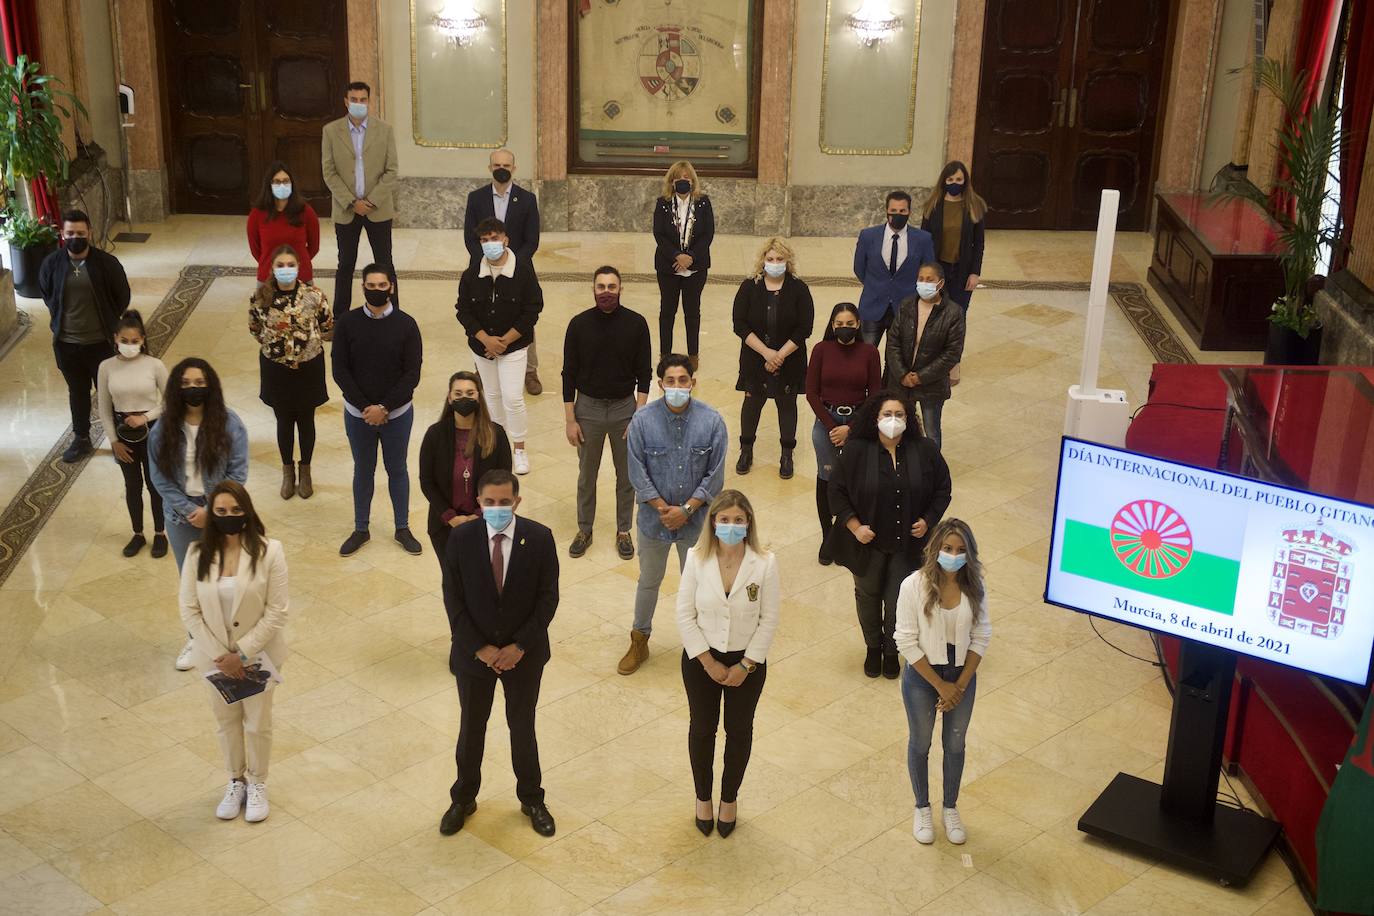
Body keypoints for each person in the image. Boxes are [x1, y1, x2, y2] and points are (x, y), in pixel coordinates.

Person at [438, 470, 558, 839]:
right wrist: (482, 648)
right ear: (479, 502)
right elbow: (453, 599)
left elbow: (547, 600)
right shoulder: (460, 539)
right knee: (471, 728)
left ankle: (531, 798)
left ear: (516, 502)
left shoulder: (538, 538)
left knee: (522, 727)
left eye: (504, 502)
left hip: (523, 656)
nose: (496, 508)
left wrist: (519, 646)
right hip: (475, 657)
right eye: (489, 502)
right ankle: (464, 798)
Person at [178, 481, 289, 824]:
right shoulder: (197, 554)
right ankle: (235, 780)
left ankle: (257, 782)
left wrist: (240, 653)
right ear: (212, 514)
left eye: (236, 511)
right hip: (214, 660)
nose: (229, 517)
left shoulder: (270, 551)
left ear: (247, 512)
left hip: (258, 656)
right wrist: (219, 655)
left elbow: (277, 611)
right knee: (226, 723)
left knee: (257, 723)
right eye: (221, 511)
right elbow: (189, 609)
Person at [676, 490, 779, 838]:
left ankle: (729, 799)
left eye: (738, 520)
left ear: (748, 523)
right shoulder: (696, 558)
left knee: (738, 731)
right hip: (701, 659)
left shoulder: (764, 563)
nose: (731, 526)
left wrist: (745, 665)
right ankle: (702, 797)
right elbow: (684, 614)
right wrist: (707, 662)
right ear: (713, 522)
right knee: (702, 729)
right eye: (724, 520)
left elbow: (769, 619)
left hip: (746, 663)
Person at [827, 390, 951, 679]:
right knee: (867, 595)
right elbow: (835, 490)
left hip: (907, 543)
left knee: (899, 599)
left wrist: (928, 519)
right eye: (887, 414)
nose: (893, 420)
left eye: (899, 415)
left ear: (908, 419)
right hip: (866, 543)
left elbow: (943, 487)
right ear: (875, 418)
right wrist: (855, 526)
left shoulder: (925, 450)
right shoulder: (857, 450)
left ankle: (892, 650)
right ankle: (873, 647)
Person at [620, 355, 728, 675]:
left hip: (695, 523)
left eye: (683, 380)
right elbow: (636, 471)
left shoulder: (711, 421)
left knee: (696, 585)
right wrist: (663, 509)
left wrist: (686, 510)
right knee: (648, 581)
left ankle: (700, 647)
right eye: (671, 381)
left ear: (693, 383)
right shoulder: (642, 421)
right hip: (654, 522)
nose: (677, 386)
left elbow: (715, 474)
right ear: (660, 384)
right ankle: (639, 639)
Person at [148, 358, 250, 671]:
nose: (194, 389)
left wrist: (213, 509)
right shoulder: (164, 428)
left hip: (222, 513)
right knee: (190, 579)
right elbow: (159, 477)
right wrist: (191, 510)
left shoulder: (229, 424)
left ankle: (225, 636)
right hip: (181, 516)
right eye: (188, 384)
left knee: (223, 576)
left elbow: (238, 471)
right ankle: (195, 638)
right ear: (178, 389)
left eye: (200, 384)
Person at [894, 518, 990, 846]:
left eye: (961, 550)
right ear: (935, 548)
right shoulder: (913, 586)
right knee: (920, 743)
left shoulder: (974, 586)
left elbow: (981, 636)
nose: (953, 555)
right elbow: (905, 642)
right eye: (947, 548)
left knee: (956, 744)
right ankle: (922, 807)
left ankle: (950, 807)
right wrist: (941, 686)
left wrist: (959, 685)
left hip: (961, 675)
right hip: (924, 677)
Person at [331, 265, 424, 557]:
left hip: (396, 415)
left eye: (382, 285)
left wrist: (384, 407)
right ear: (362, 288)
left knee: (397, 469)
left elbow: (412, 373)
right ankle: (361, 529)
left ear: (391, 288)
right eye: (371, 284)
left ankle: (402, 527)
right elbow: (340, 369)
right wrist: (365, 407)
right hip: (358, 415)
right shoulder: (347, 323)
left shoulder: (407, 324)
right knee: (364, 469)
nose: (377, 289)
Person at [562, 266, 653, 561]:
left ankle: (623, 530)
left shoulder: (637, 324)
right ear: (593, 289)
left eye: (612, 286)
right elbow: (568, 375)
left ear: (621, 289)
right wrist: (570, 419)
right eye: (601, 286)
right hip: (587, 408)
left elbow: (645, 373)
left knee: (626, 475)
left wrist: (639, 415)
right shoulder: (578, 325)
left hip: (625, 409)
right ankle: (584, 529)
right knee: (586, 475)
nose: (606, 292)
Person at [39, 209, 132, 463]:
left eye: (80, 233)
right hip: (68, 344)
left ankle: (119, 439)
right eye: (70, 233)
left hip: (100, 343)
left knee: (109, 393)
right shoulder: (52, 264)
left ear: (89, 233)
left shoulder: (106, 263)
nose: (75, 238)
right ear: (62, 234)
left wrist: (110, 322)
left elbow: (121, 296)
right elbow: (48, 294)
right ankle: (81, 438)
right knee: (77, 392)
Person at [456, 217, 543, 476]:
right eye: (484, 240)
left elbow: (532, 309)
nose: (490, 244)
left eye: (494, 238)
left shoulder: (523, 271)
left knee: (513, 397)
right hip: (483, 347)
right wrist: (486, 339)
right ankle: (498, 444)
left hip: (514, 347)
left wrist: (504, 341)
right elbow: (463, 311)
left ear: (505, 239)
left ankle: (518, 448)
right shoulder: (472, 273)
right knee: (492, 397)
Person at [248, 245, 333, 500]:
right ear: (272, 269)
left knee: (306, 420)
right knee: (284, 420)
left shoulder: (314, 295)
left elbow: (327, 324)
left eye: (290, 265)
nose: (286, 270)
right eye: (280, 266)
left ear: (298, 268)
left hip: (308, 366)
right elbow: (254, 328)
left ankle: (305, 470)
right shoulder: (261, 297)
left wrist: (306, 343)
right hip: (277, 369)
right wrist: (277, 348)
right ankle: (288, 471)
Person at [805, 303, 881, 566]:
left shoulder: (869, 352)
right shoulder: (821, 350)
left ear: (858, 325)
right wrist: (831, 427)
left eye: (850, 324)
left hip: (857, 423)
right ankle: (828, 537)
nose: (844, 328)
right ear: (832, 325)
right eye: (839, 324)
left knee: (854, 481)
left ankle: (847, 534)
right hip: (826, 421)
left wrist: (851, 427)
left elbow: (876, 396)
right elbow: (811, 393)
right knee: (826, 479)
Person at [732, 238, 814, 481]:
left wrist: (779, 355)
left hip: (790, 358)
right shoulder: (749, 287)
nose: (775, 263)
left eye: (780, 259)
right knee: (752, 404)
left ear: (787, 261)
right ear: (762, 261)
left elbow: (804, 328)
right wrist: (767, 353)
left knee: (787, 405)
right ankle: (746, 450)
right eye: (770, 259)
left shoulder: (799, 289)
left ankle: (787, 453)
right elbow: (740, 324)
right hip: (755, 358)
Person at [464, 148, 543, 395]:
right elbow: (470, 237)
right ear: (490, 168)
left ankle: (530, 371)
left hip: (518, 269)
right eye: (497, 165)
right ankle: (483, 362)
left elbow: (532, 240)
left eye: (506, 166)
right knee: (483, 311)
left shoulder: (527, 199)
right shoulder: (476, 198)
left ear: (514, 169)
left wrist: (511, 263)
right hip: (483, 268)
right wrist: (487, 261)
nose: (501, 169)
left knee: (523, 315)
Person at [419, 371, 512, 566]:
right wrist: (450, 517)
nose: (464, 398)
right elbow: (427, 481)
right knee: (453, 584)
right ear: (450, 398)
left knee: (484, 582)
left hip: (488, 524)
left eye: (470, 393)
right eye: (458, 394)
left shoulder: (496, 434)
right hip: (444, 525)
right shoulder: (435, 434)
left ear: (479, 396)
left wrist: (479, 515)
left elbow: (504, 481)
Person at [321, 81, 399, 316]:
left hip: (378, 209)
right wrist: (352, 202)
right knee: (345, 264)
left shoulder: (384, 130)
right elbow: (329, 171)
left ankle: (393, 313)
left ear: (368, 101)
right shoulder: (331, 131)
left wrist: (371, 201)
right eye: (353, 100)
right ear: (346, 102)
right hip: (346, 210)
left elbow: (392, 170)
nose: (358, 104)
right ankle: (340, 318)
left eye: (362, 100)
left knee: (385, 263)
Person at [96, 309, 169, 558]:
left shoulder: (154, 365)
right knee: (132, 485)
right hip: (123, 433)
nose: (129, 345)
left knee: (154, 484)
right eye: (124, 341)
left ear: (143, 340)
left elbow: (170, 401)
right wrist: (113, 442)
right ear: (115, 339)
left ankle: (160, 533)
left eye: (134, 341)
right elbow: (104, 407)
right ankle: (138, 533)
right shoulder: (106, 367)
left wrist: (145, 418)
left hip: (152, 431)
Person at [883, 263, 966, 448]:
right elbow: (893, 342)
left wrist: (920, 377)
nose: (924, 283)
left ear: (940, 283)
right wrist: (903, 374)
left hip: (932, 384)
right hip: (901, 381)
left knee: (932, 431)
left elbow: (952, 352)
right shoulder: (906, 305)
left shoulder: (953, 313)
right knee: (898, 427)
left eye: (930, 280)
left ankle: (931, 469)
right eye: (921, 279)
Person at [853, 191, 935, 350]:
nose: (898, 214)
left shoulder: (923, 239)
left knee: (896, 359)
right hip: (872, 305)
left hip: (905, 308)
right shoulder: (868, 236)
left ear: (909, 212)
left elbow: (929, 270)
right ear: (886, 211)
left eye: (902, 211)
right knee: (866, 354)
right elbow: (859, 267)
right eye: (894, 211)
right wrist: (874, 284)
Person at [652, 161, 714, 368]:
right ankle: (665, 354)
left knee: (692, 311)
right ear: (672, 181)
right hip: (668, 267)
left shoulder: (703, 203)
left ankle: (693, 355)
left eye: (687, 178)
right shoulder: (662, 203)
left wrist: (691, 257)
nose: (683, 182)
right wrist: (677, 256)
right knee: (667, 311)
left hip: (696, 267)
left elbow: (708, 234)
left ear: (693, 181)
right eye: (679, 178)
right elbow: (659, 234)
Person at [920, 161, 986, 313]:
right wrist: (925, 272)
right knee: (935, 312)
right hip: (938, 267)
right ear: (944, 181)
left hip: (962, 269)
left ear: (965, 181)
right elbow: (924, 241)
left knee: (958, 313)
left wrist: (975, 273)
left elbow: (979, 243)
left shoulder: (975, 206)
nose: (954, 183)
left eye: (958, 180)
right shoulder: (932, 205)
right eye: (950, 180)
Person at [246, 161, 321, 284]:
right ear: (269, 185)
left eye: (286, 181)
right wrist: (275, 265)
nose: (282, 185)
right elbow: (255, 250)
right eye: (277, 182)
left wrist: (294, 264)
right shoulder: (256, 214)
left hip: (301, 276)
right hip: (268, 277)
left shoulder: (306, 211)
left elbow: (314, 247)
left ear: (292, 184)